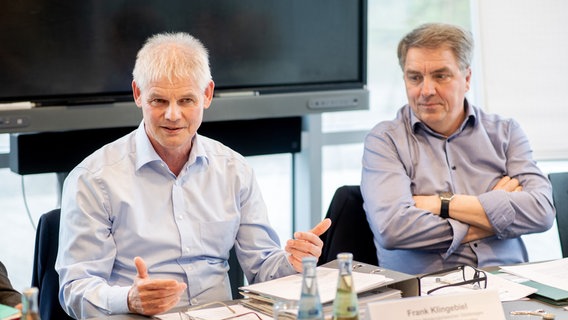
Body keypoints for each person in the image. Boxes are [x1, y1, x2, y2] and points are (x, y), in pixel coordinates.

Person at [55, 32, 331, 319]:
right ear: (138, 94)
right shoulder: (94, 179)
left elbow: (262, 269)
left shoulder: (234, 170)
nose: (173, 115)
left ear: (207, 94)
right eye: (159, 101)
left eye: (186, 100)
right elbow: (75, 289)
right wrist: (128, 298)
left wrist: (293, 261)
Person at [360, 23, 555, 275]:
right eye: (415, 77)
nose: (426, 91)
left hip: (514, 285)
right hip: (429, 294)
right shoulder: (385, 141)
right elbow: (393, 230)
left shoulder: (506, 132)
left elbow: (541, 212)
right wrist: (494, 218)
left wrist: (441, 204)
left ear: (467, 78)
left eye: (441, 76)